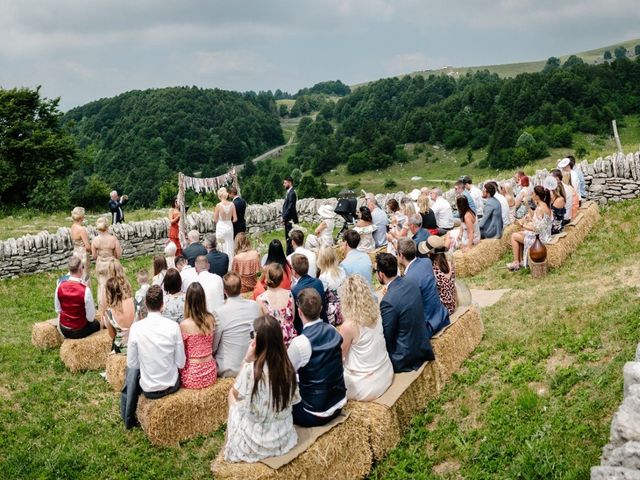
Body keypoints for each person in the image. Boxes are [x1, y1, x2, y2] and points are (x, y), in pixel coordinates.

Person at [224, 314, 298, 462]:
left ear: (258, 340)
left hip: (255, 441)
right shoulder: (288, 367)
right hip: (282, 437)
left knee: (230, 395)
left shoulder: (251, 370)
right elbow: (294, 399)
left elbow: (235, 393)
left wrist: (246, 360)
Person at [287, 288, 346, 427]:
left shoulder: (299, 343)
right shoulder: (332, 329)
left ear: (299, 312)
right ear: (320, 309)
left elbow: (285, 374)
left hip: (314, 413)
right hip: (338, 404)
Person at [376, 253, 435, 372]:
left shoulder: (387, 302)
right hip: (422, 345)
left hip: (404, 357)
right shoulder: (411, 282)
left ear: (381, 274)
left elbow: (387, 336)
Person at [338, 275, 394, 401]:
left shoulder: (349, 326)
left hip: (366, 386)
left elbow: (339, 358)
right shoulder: (376, 312)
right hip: (385, 372)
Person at [127, 285, 186, 399]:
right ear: (163, 304)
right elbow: (181, 363)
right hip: (172, 385)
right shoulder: (173, 327)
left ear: (145, 303)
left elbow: (132, 364)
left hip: (149, 389)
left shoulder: (136, 328)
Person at [397, 239, 450, 337]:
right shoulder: (426, 262)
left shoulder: (408, 279)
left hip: (429, 326)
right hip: (442, 315)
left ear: (401, 255)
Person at [213, 272, 261, 377]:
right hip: (253, 363)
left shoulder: (219, 312)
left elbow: (214, 345)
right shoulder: (254, 306)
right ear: (241, 287)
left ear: (224, 291)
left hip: (231, 368)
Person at [179, 282, 217, 389]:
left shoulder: (184, 325)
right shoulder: (211, 319)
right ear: (203, 299)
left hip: (193, 376)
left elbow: (182, 352)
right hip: (211, 373)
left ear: (188, 301)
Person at [508, 185, 553, 271]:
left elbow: (537, 228)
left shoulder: (540, 208)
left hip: (540, 238)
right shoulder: (544, 205)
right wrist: (527, 207)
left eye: (533, 193)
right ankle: (520, 261)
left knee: (514, 236)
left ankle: (516, 262)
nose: (532, 195)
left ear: (537, 196)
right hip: (544, 235)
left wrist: (522, 225)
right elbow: (537, 219)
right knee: (520, 234)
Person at [55, 256, 100, 339]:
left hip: (63, 329)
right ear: (80, 270)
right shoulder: (85, 290)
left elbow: (58, 309)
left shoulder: (59, 285)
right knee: (97, 324)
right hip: (79, 330)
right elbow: (90, 318)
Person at [256, 263, 297, 346]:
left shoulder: (261, 299)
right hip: (290, 339)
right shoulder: (289, 294)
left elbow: (261, 326)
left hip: (273, 342)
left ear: (266, 278)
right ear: (281, 279)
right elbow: (292, 317)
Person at [419, 235, 457, 316]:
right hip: (452, 306)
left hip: (441, 311)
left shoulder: (432, 270)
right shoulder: (450, 263)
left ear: (429, 253)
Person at [291, 254, 328, 332]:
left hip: (306, 328)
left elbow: (296, 318)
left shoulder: (295, 290)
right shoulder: (318, 282)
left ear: (294, 271)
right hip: (322, 323)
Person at [92, 216, 122, 310]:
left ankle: (102, 307)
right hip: (111, 264)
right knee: (112, 285)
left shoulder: (95, 240)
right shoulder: (113, 239)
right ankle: (112, 304)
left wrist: (101, 258)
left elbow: (94, 256)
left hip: (100, 264)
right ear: (107, 227)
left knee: (101, 285)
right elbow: (118, 254)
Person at [317, 246, 346, 327]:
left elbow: (323, 298)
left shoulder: (323, 277)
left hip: (333, 313)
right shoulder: (342, 270)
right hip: (345, 306)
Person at [104, 276, 135, 353]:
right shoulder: (134, 301)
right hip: (137, 344)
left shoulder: (109, 313)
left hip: (123, 350)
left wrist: (106, 323)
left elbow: (112, 336)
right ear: (121, 288)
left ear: (108, 293)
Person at [214, 187, 237, 266]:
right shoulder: (232, 204)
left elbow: (215, 219)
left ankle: (222, 264)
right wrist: (228, 221)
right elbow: (235, 219)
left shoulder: (218, 205)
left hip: (221, 226)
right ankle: (231, 264)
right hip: (229, 227)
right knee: (230, 244)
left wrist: (219, 222)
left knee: (221, 245)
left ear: (220, 196)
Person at [70, 206, 91, 283]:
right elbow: (87, 246)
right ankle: (85, 290)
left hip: (75, 253)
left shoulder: (72, 227)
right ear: (82, 217)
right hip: (83, 254)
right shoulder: (81, 230)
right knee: (85, 274)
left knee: (77, 273)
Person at [282, 176, 299, 255]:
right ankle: (288, 255)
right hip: (288, 219)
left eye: (285, 183)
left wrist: (284, 217)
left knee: (290, 239)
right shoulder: (289, 192)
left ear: (289, 182)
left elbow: (290, 207)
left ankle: (290, 255)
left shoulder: (292, 193)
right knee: (288, 239)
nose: (283, 184)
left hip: (290, 220)